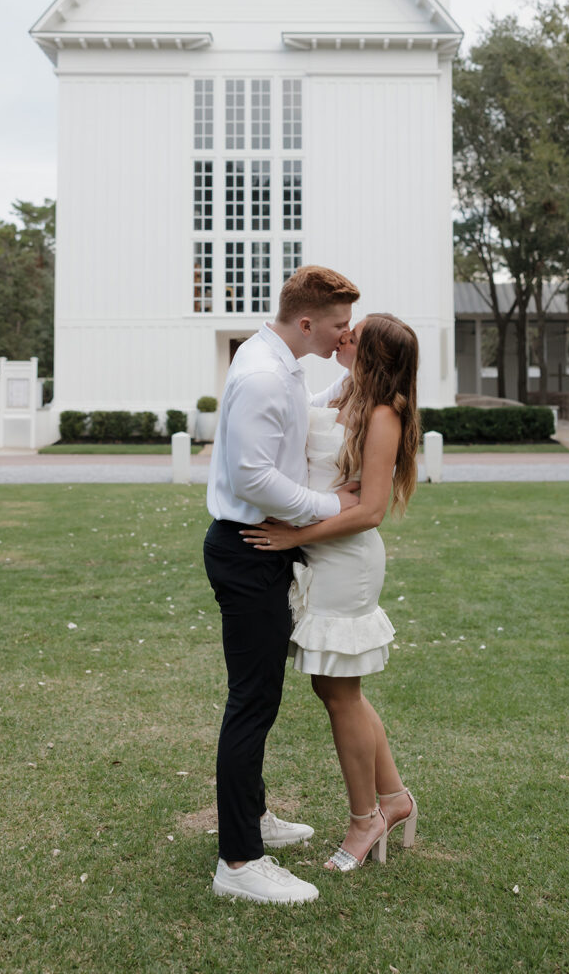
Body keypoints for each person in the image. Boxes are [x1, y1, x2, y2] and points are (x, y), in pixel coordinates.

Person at [203, 265, 361, 905]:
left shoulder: (282, 363)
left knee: (260, 697)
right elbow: (252, 479)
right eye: (338, 327)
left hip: (259, 549)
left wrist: (359, 369)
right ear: (306, 322)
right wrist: (333, 509)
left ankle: (253, 816)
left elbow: (305, 418)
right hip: (248, 549)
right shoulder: (267, 374)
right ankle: (239, 861)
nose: (342, 335)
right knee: (252, 702)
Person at [240, 313, 420, 872]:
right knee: (338, 691)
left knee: (338, 692)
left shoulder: (385, 413)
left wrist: (297, 534)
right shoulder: (343, 391)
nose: (343, 337)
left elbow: (369, 511)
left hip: (347, 561)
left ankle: (365, 818)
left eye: (355, 335)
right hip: (319, 551)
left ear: (376, 355)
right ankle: (392, 800)